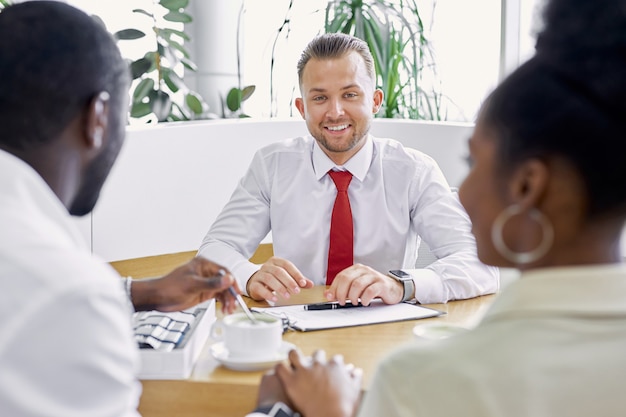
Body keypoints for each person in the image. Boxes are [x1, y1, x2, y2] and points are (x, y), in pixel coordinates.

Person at [249, 0, 626, 415]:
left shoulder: (422, 381)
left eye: (474, 163)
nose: (462, 194)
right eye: (320, 97)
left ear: (527, 185)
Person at [0, 2, 241, 415]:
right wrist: (274, 406)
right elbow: (51, 296)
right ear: (97, 118)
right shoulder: (67, 291)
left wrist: (136, 294)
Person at [198, 32, 499, 306]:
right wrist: (249, 276)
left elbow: (480, 265)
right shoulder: (272, 165)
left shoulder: (414, 171)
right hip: (296, 328)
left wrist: (400, 284)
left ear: (376, 100)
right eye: (320, 98)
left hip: (383, 329)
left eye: (350, 94)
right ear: (302, 108)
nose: (335, 111)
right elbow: (214, 249)